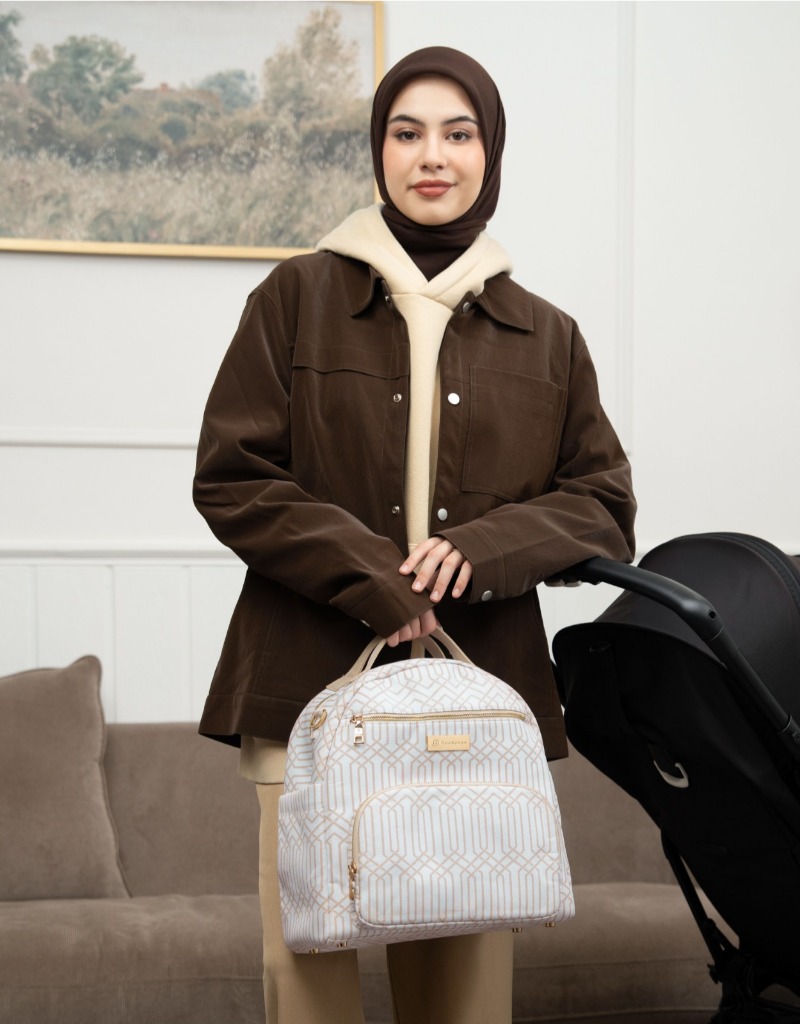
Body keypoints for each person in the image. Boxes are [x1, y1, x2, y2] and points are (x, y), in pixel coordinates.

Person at [193, 46, 636, 1024]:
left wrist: (487, 549)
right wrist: (370, 576)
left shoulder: (549, 334)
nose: (431, 155)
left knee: (464, 997)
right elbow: (232, 472)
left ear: (490, 152)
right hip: (304, 686)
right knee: (306, 980)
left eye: (457, 133)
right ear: (378, 151)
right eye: (407, 132)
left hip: (476, 704)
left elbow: (604, 502)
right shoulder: (293, 298)